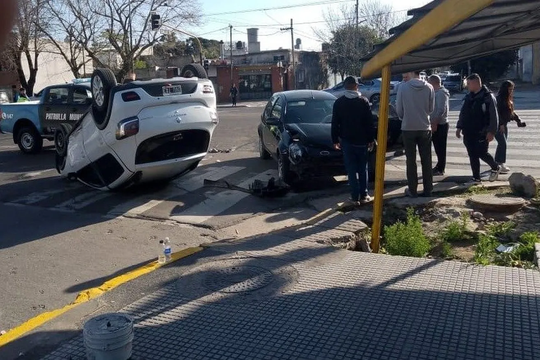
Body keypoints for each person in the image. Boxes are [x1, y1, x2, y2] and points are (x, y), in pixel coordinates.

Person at [331, 76, 376, 205]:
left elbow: (335, 123)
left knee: (351, 169)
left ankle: (354, 197)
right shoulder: (363, 101)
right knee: (362, 168)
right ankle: (364, 194)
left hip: (346, 141)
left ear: (345, 87)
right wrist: (370, 139)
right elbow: (369, 123)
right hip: (361, 141)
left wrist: (335, 140)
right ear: (356, 86)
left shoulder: (339, 103)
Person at [396, 70, 435, 197]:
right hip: (425, 127)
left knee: (411, 160)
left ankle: (412, 190)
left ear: (412, 72)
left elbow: (399, 109)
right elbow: (431, 109)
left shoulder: (403, 87)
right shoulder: (429, 87)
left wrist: (405, 117)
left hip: (408, 127)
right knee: (426, 159)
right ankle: (428, 189)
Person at [456, 73, 500, 183]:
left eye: (469, 83)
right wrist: (459, 127)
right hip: (468, 131)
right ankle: (476, 177)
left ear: (476, 83)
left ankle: (495, 167)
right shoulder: (468, 96)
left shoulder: (487, 97)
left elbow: (494, 115)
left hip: (482, 131)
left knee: (481, 152)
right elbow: (463, 113)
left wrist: (491, 132)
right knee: (472, 154)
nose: (467, 86)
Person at [495, 80, 527, 174]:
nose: (511, 91)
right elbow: (497, 113)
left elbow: (511, 112)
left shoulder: (507, 98)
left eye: (512, 89)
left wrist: (518, 121)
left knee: (502, 144)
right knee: (503, 143)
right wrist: (500, 124)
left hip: (504, 124)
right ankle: (500, 164)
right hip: (497, 124)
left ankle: (497, 163)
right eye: (509, 89)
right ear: (505, 89)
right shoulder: (499, 99)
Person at [428, 74, 450, 176]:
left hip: (440, 124)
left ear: (433, 83)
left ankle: (441, 168)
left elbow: (441, 110)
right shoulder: (436, 93)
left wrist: (435, 123)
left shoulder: (441, 93)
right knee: (437, 147)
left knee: (441, 147)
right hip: (436, 123)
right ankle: (439, 165)